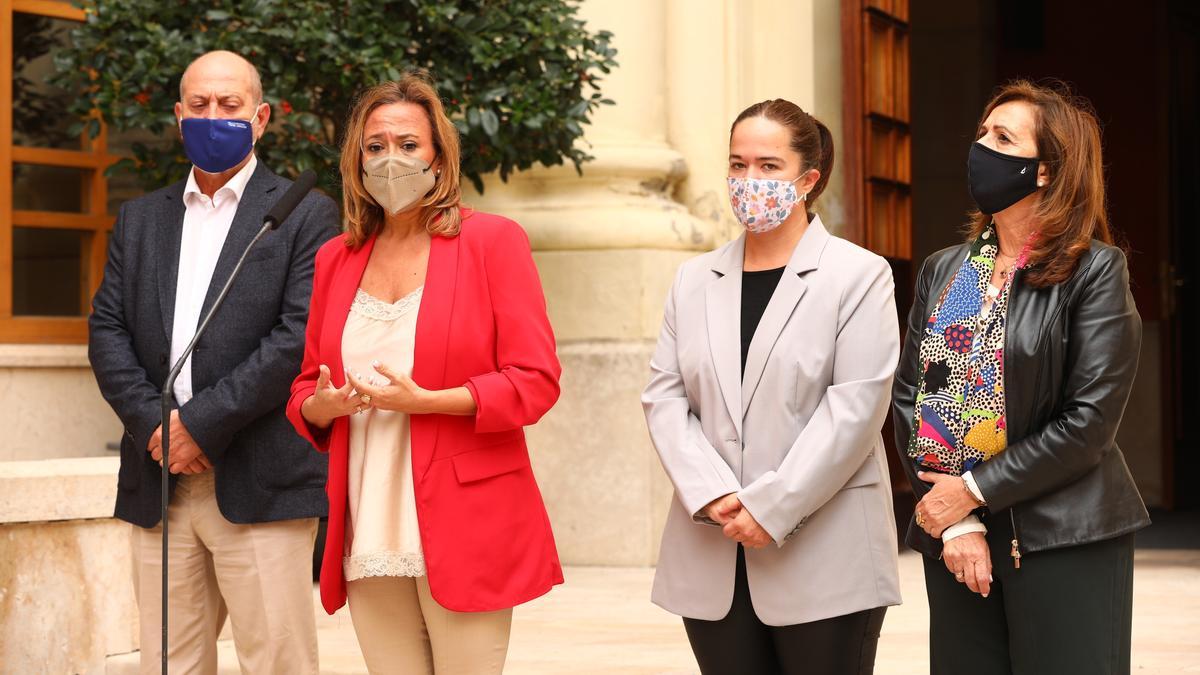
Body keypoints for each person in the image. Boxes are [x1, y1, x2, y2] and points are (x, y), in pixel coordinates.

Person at [286, 73, 563, 675]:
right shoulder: (336, 257)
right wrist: (321, 406)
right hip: (367, 516)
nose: (391, 159)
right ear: (356, 161)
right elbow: (307, 385)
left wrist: (431, 401)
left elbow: (536, 380)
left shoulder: (492, 242)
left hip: (464, 518)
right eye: (375, 146)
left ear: (439, 156)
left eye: (409, 145)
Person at [88, 50, 338, 673]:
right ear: (178, 116)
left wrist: (196, 426)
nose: (213, 116)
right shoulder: (141, 218)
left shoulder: (303, 212)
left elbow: (295, 338)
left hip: (260, 476)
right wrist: (157, 427)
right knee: (169, 663)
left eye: (229, 105)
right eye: (199, 105)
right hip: (160, 479)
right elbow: (107, 331)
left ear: (261, 117)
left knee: (276, 660)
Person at [892, 80, 1150, 675]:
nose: (980, 148)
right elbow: (911, 396)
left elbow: (1087, 424)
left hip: (1066, 537)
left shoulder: (1095, 271)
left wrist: (973, 490)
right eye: (982, 133)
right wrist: (955, 518)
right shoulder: (946, 270)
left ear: (1044, 171)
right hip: (956, 538)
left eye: (1002, 138)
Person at [642, 99, 901, 675]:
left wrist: (770, 506)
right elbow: (665, 397)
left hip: (825, 549)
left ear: (807, 180)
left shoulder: (857, 275)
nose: (748, 181)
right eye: (737, 165)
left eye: (768, 166)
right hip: (713, 547)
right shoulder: (693, 280)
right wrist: (710, 493)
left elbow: (855, 409)